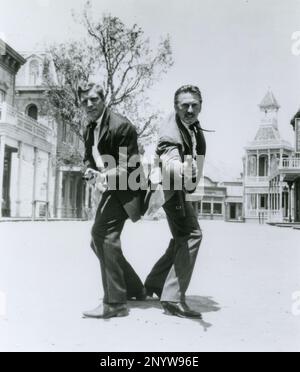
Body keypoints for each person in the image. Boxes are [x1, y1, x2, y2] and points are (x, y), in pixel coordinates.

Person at [80, 82, 146, 319]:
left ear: (103, 99)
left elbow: (130, 164)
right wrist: (88, 170)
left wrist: (104, 175)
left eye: (94, 99)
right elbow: (89, 157)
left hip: (129, 187)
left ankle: (115, 304)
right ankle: (135, 289)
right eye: (85, 100)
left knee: (103, 236)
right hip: (111, 188)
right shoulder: (89, 128)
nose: (89, 105)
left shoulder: (121, 126)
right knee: (97, 241)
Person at [145, 85, 206, 319]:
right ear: (175, 107)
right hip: (170, 187)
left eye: (194, 105)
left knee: (182, 237)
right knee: (191, 235)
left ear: (201, 104)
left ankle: (155, 283)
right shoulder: (171, 132)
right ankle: (171, 298)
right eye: (185, 105)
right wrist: (182, 168)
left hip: (174, 187)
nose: (190, 110)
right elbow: (170, 158)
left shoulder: (187, 122)